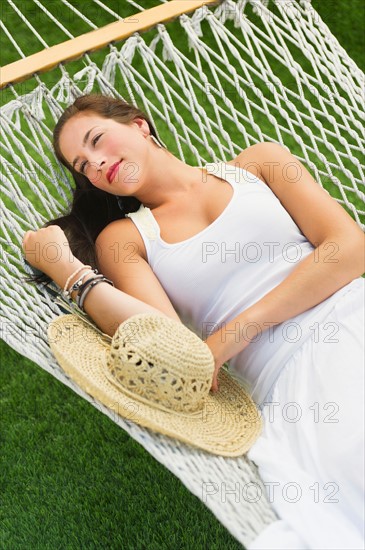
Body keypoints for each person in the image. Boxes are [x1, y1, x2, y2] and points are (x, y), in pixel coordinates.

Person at [22, 94, 364, 549]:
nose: (97, 163)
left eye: (98, 140)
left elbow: (349, 248)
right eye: (83, 165)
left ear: (140, 126)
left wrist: (228, 337)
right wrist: (67, 270)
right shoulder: (125, 239)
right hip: (288, 377)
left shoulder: (261, 164)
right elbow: (167, 348)